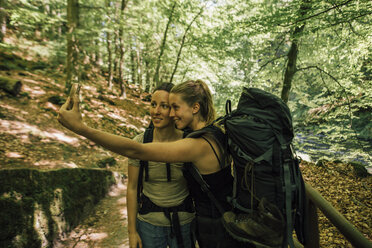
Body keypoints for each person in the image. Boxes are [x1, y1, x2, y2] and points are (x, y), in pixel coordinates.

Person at [57, 79, 247, 248]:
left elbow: (135, 150)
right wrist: (133, 230)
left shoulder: (196, 144)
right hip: (219, 220)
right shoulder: (213, 132)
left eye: (174, 107)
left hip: (214, 225)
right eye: (165, 106)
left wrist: (81, 128)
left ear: (195, 108)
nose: (170, 114)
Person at [127, 83, 194, 248]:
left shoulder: (189, 142)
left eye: (164, 106)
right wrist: (132, 232)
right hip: (149, 225)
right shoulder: (140, 143)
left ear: (174, 110)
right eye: (153, 104)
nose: (155, 111)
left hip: (184, 223)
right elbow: (132, 188)